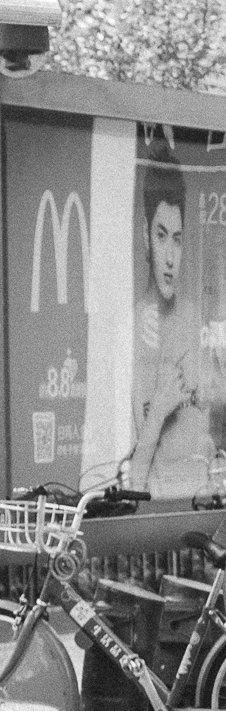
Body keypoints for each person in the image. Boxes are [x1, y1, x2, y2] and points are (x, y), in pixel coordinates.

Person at [132, 161, 214, 492]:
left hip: (203, 509)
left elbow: (205, 435)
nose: (170, 257)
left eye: (177, 240)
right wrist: (159, 411)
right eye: (161, 236)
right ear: (145, 237)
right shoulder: (133, 326)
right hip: (157, 515)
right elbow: (132, 481)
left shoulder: (194, 318)